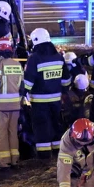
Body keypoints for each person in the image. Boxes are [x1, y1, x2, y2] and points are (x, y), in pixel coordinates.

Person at [21, 27, 67, 160]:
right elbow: (66, 79)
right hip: (56, 100)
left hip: (39, 102)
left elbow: (28, 82)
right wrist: (63, 91)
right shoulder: (58, 56)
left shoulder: (34, 58)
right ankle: (58, 152)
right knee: (56, 124)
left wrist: (22, 93)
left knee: (42, 127)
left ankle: (44, 156)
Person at [0, 34, 25, 167]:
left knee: (0, 133)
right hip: (16, 106)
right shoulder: (18, 64)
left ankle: (4, 162)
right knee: (13, 133)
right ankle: (15, 159)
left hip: (1, 108)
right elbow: (23, 86)